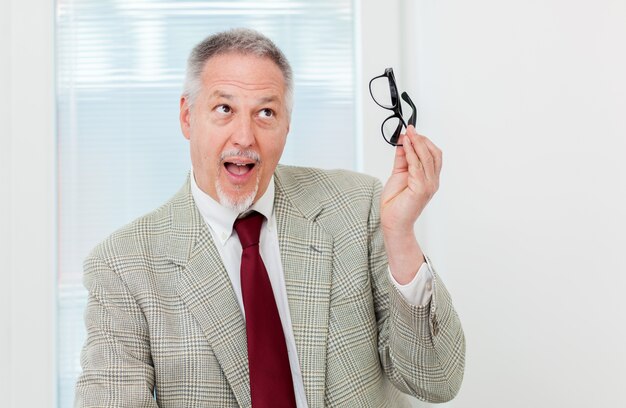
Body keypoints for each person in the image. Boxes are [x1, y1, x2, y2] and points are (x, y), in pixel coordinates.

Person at [75, 28, 465, 408]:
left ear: (287, 125)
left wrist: (400, 235)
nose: (244, 137)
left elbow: (438, 379)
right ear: (187, 116)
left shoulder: (357, 206)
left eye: (266, 112)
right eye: (224, 109)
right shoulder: (122, 266)